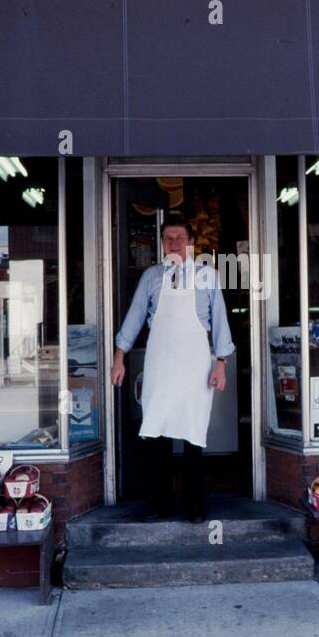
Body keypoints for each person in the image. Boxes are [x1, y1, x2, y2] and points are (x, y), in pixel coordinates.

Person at [111, 215, 235, 522]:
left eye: (180, 238)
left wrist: (221, 363)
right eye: (169, 238)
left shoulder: (207, 276)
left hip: (195, 362)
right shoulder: (151, 276)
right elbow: (135, 316)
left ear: (192, 242)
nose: (174, 243)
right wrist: (119, 356)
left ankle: (195, 507)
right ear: (162, 243)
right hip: (161, 363)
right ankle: (159, 504)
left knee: (193, 433)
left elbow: (219, 321)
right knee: (157, 432)